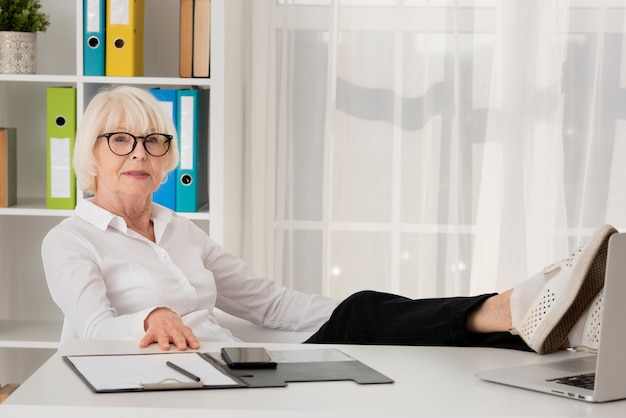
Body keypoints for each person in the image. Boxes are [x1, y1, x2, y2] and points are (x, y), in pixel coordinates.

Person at [41, 85, 615, 357]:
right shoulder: (69, 241)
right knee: (372, 316)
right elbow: (91, 328)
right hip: (175, 384)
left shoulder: (179, 230)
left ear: (166, 156)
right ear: (91, 155)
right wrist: (152, 314)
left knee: (374, 316)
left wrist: (364, 315)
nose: (137, 153)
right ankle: (522, 307)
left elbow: (268, 304)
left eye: (152, 140)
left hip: (235, 366)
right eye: (119, 140)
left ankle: (536, 323)